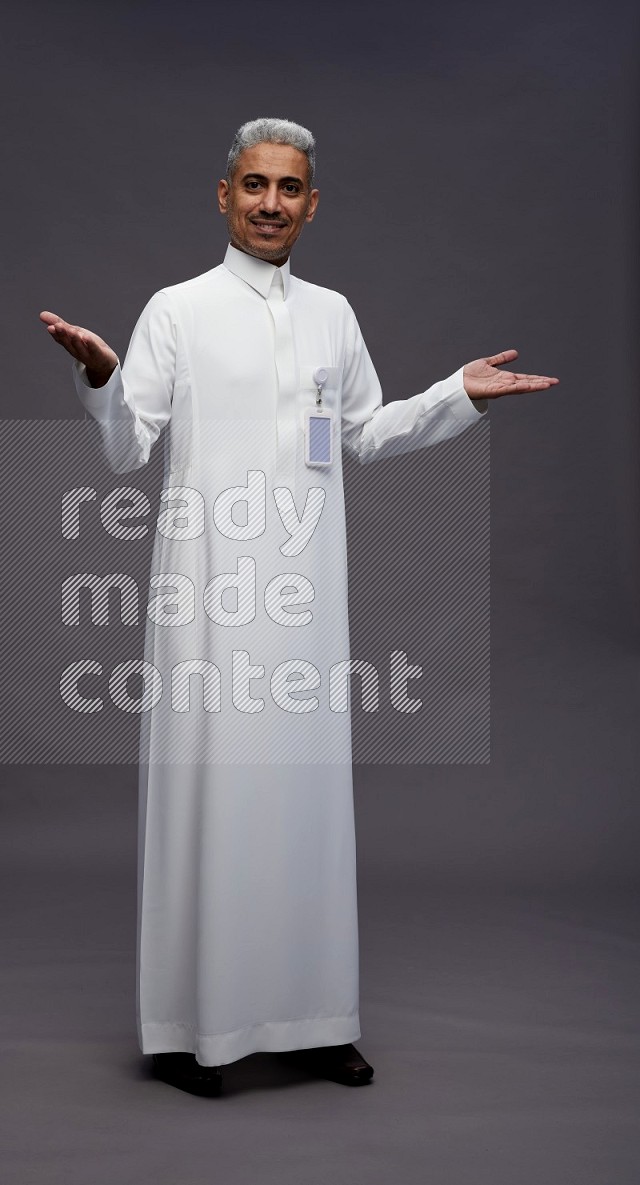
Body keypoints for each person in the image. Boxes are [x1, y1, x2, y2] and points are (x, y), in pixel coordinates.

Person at [40, 117, 559, 1098]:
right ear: (224, 194)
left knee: (306, 807)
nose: (270, 203)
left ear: (311, 204)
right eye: (253, 185)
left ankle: (318, 1022)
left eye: (288, 188)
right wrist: (100, 376)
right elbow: (123, 447)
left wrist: (459, 394)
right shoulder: (177, 312)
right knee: (213, 802)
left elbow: (364, 432)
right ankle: (193, 1030)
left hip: (307, 604)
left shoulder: (330, 315)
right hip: (206, 602)